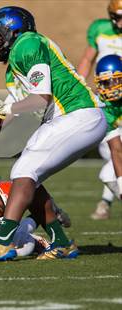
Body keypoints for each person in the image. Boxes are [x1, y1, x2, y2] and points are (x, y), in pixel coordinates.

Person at [0, 6, 106, 262]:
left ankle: (3, 243)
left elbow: (40, 99)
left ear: (12, 30)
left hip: (78, 114)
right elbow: (8, 112)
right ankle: (61, 243)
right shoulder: (13, 67)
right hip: (72, 119)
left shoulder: (28, 44)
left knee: (23, 171)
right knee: (28, 175)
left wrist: (9, 108)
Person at [77, 0, 122, 219]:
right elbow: (87, 58)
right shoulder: (99, 28)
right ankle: (106, 201)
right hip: (108, 96)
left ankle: (104, 203)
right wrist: (77, 87)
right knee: (110, 158)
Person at [95, 55, 122, 201]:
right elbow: (117, 150)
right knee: (106, 174)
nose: (109, 88)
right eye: (105, 83)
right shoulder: (106, 107)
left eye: (113, 81)